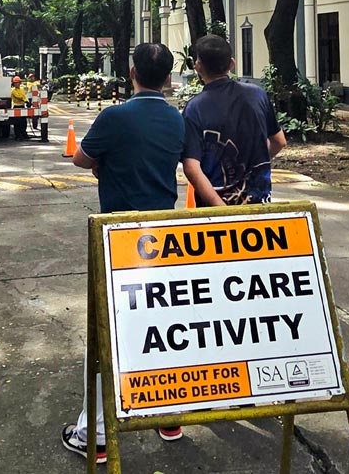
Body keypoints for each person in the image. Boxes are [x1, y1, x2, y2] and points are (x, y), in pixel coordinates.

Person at [62, 42, 186, 464]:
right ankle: (168, 415)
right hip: (163, 238)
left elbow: (81, 158)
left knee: (107, 330)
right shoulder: (176, 119)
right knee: (161, 326)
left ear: (131, 74)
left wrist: (104, 165)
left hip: (117, 238)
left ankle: (94, 434)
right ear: (168, 78)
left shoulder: (114, 116)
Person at [182, 35, 287, 207]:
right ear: (232, 64)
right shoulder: (257, 95)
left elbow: (192, 167)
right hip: (258, 204)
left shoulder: (195, 108)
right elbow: (279, 141)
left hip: (214, 215)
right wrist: (252, 162)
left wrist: (222, 210)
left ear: (198, 67)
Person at [10, 76, 29, 140]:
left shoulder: (22, 89)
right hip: (16, 106)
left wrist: (27, 101)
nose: (17, 84)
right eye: (15, 83)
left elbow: (24, 96)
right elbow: (19, 97)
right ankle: (17, 135)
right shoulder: (13, 90)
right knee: (17, 122)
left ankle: (24, 133)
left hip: (22, 106)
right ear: (13, 83)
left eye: (18, 82)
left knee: (23, 122)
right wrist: (25, 100)